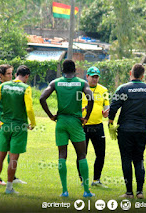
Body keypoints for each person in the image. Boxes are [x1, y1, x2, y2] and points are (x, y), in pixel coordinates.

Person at [40, 59, 95, 198]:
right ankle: (86, 191)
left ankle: (64, 191)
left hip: (61, 122)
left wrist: (51, 115)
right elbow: (91, 98)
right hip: (75, 122)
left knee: (62, 155)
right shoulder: (82, 83)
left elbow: (42, 98)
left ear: (63, 70)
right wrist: (86, 117)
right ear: (75, 69)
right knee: (82, 155)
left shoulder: (55, 82)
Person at [108, 63, 146, 199]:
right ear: (143, 75)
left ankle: (129, 192)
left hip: (125, 130)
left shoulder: (123, 89)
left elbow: (113, 107)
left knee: (126, 159)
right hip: (140, 130)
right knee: (139, 159)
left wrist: (110, 123)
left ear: (130, 73)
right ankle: (140, 192)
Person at [0, 65, 36, 194]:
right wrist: (33, 123)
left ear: (16, 74)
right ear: (26, 76)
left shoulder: (3, 86)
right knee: (13, 157)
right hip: (19, 126)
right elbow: (29, 109)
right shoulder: (26, 88)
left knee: (1, 155)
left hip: (5, 125)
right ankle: (9, 187)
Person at [76, 66, 109, 188]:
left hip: (98, 127)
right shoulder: (80, 89)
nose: (95, 79)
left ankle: (96, 180)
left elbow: (106, 109)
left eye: (97, 77)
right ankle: (82, 180)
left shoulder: (104, 90)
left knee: (100, 154)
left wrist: (107, 113)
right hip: (83, 127)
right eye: (92, 77)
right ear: (87, 77)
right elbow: (74, 107)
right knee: (81, 154)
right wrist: (81, 110)